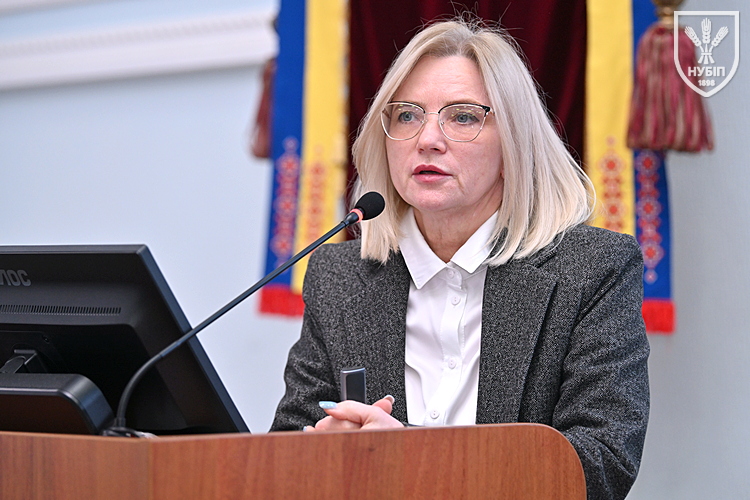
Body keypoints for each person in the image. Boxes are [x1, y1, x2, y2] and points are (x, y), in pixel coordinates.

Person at [270, 18, 649, 500]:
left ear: (514, 143)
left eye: (463, 117)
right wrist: (320, 452)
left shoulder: (592, 270)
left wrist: (409, 459)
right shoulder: (339, 277)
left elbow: (600, 463)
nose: (427, 138)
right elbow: (287, 448)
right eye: (407, 116)